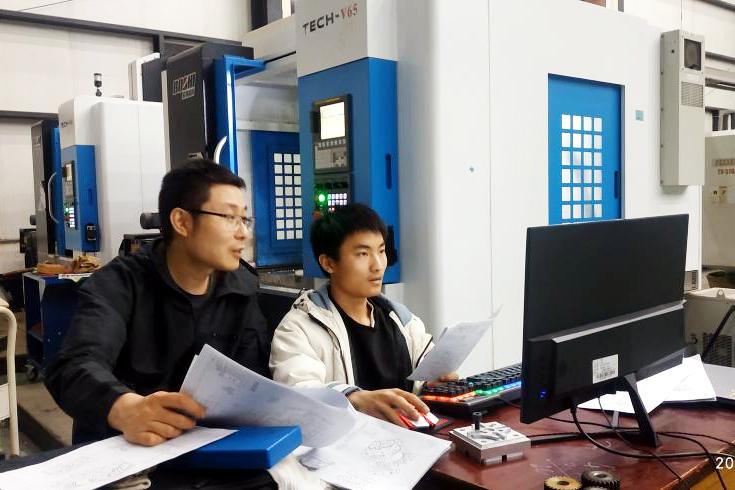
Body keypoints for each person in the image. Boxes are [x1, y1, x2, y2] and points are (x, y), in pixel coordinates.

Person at [45, 160, 295, 488]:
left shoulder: (241, 287)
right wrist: (124, 408)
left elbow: (253, 377)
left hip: (215, 454)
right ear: (182, 222)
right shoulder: (120, 284)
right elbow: (73, 366)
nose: (244, 233)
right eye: (229, 217)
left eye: (245, 219)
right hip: (132, 459)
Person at [269, 203, 456, 427]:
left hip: (411, 438)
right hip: (345, 444)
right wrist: (354, 399)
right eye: (363, 254)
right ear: (328, 263)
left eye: (381, 251)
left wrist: (433, 384)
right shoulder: (300, 327)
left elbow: (424, 372)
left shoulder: (400, 319)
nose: (378, 265)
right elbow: (298, 393)